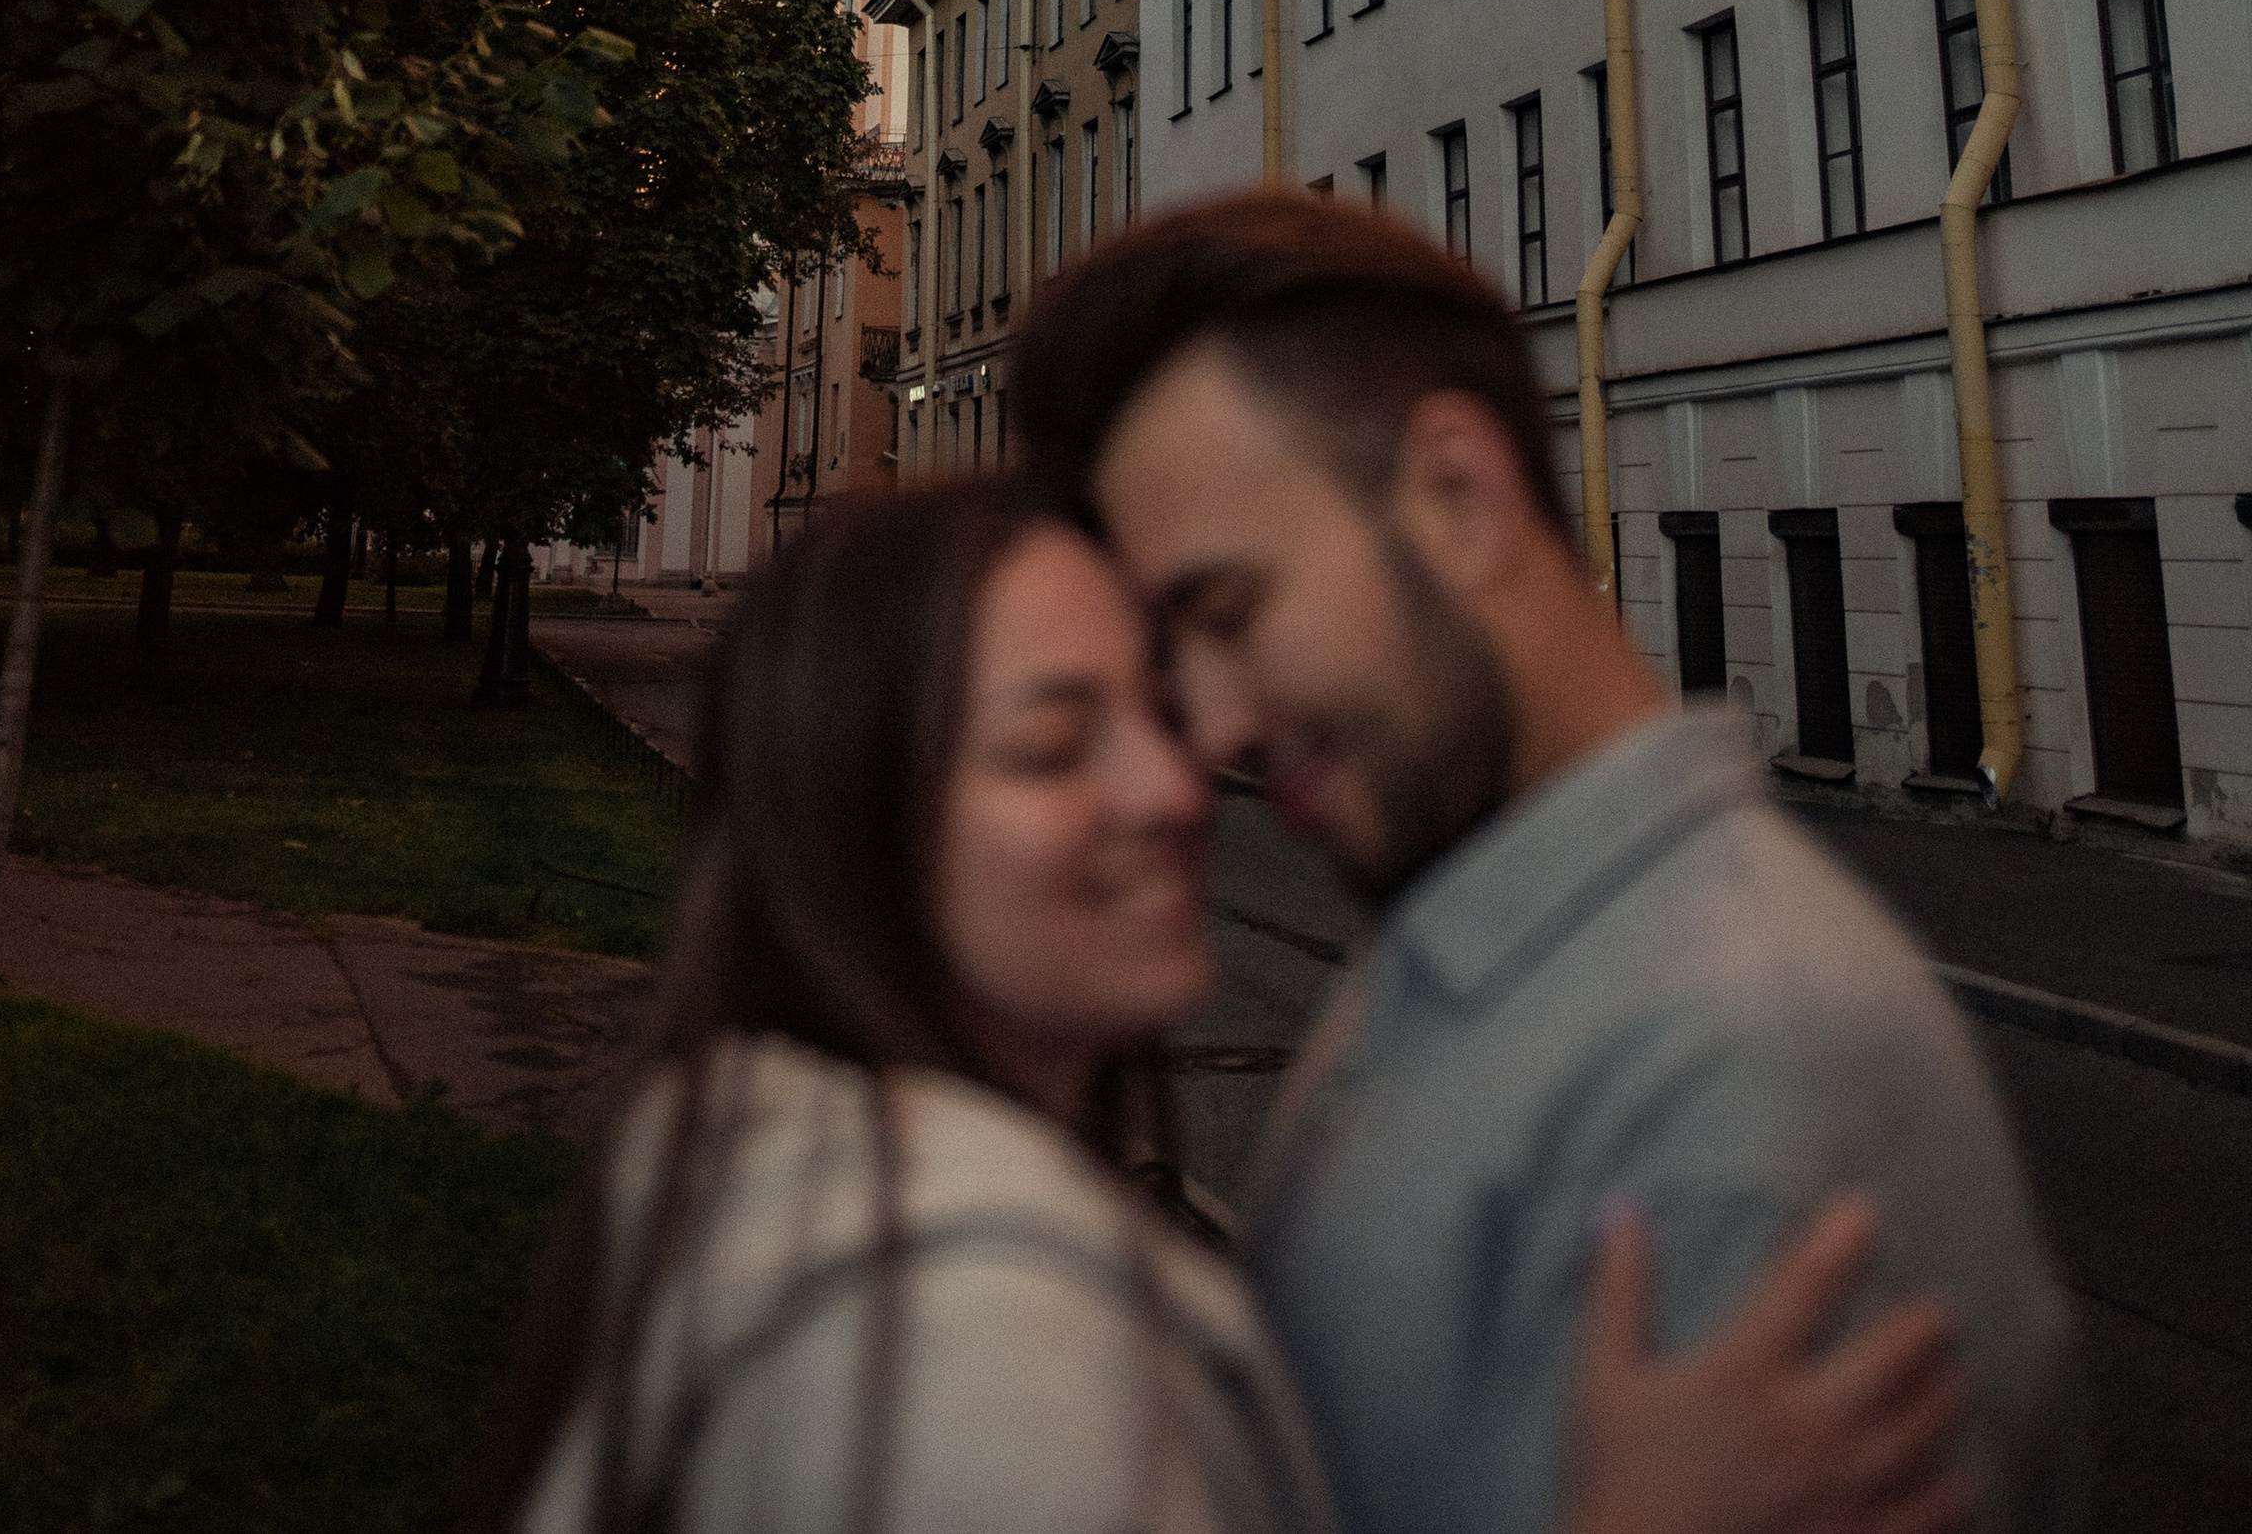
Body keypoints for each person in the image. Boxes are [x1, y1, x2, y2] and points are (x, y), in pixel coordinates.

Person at [483, 478, 1974, 1534]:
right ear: (853, 825)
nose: (1174, 784)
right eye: (1057, 743)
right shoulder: (990, 1356)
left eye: (1155, 707)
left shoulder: (781, 1177)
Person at [1011, 189, 2083, 1534]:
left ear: (1459, 494)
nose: (1209, 728)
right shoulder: (1476, 942)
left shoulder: (1735, 1067)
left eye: (1228, 610)